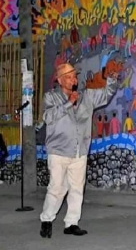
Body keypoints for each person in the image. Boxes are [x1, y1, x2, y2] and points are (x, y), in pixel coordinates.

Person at [39, 63, 118, 238]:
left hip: (79, 151)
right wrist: (68, 104)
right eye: (69, 76)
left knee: (76, 188)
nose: (73, 79)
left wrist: (112, 78)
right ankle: (46, 220)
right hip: (58, 151)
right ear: (60, 80)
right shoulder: (51, 97)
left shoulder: (86, 96)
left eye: (74, 76)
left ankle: (71, 223)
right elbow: (48, 117)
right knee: (56, 187)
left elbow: (106, 94)